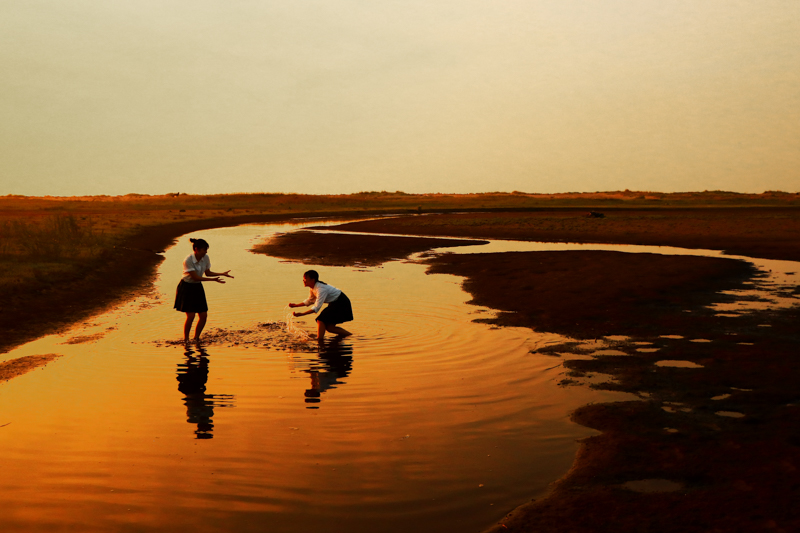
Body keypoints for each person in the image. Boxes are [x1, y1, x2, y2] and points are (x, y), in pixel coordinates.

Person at [174, 238, 233, 342]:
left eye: (206, 250)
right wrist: (213, 280)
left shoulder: (205, 257)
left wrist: (221, 273)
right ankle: (186, 340)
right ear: (196, 249)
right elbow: (195, 277)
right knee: (191, 316)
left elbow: (208, 272)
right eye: (204, 250)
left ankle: (196, 338)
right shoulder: (188, 260)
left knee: (203, 315)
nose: (205, 252)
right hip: (186, 287)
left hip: (197, 287)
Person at [289, 270, 353, 343]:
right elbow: (310, 300)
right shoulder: (313, 288)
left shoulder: (321, 289)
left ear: (312, 280)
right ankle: (350, 335)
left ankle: (320, 341)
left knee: (321, 319)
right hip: (335, 303)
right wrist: (296, 305)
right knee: (330, 328)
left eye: (305, 278)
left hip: (342, 303)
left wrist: (302, 314)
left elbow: (316, 308)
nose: (303, 280)